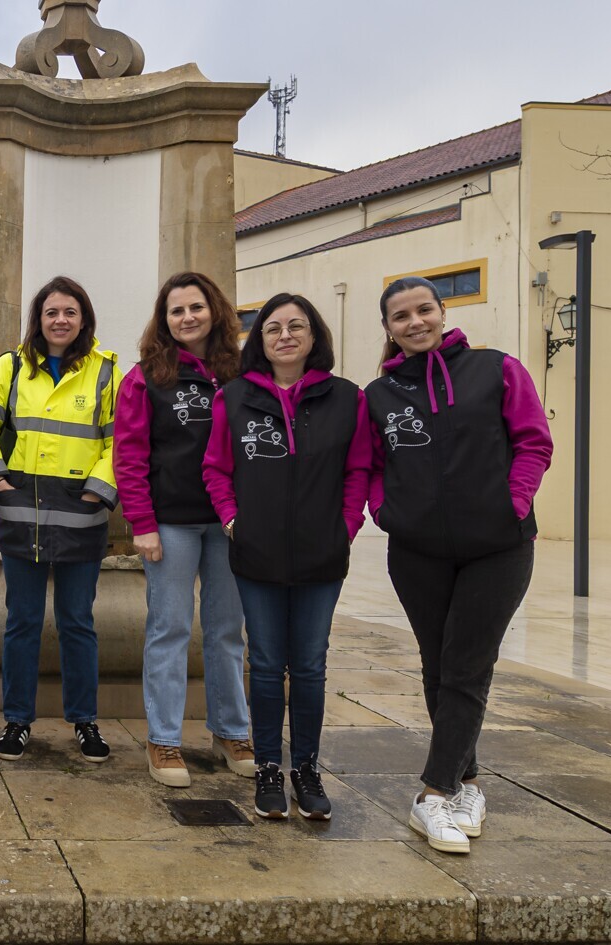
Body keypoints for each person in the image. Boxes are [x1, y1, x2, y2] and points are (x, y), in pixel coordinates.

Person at [366, 276, 553, 854]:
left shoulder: (497, 370)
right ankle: (468, 781)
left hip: (498, 547)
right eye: (401, 316)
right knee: (438, 665)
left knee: (467, 665)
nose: (415, 322)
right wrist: (386, 511)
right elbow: (372, 465)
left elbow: (534, 442)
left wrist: (512, 503)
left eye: (424, 310)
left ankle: (434, 793)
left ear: (442, 312)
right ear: (389, 328)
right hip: (417, 551)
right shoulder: (379, 395)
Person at [203, 292, 373, 822]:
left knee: (310, 665)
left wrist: (346, 527)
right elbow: (216, 469)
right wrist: (233, 522)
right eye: (273, 328)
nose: (285, 336)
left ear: (314, 335)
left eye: (296, 326)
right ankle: (268, 770)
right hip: (257, 554)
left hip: (323, 554)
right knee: (265, 664)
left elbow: (358, 470)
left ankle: (306, 769)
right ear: (260, 340)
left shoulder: (347, 398)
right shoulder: (234, 397)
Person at [113, 272, 255, 788]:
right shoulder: (146, 377)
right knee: (169, 630)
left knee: (226, 631)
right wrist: (142, 523)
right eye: (176, 311)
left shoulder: (242, 373)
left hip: (229, 522)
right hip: (171, 524)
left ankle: (230, 732)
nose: (187, 317)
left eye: (196, 307)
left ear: (214, 311)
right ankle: (164, 739)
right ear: (164, 319)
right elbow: (129, 455)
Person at [0, 275, 119, 765]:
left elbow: (119, 441)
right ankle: (17, 720)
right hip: (22, 511)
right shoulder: (9, 368)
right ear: (38, 319)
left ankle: (84, 721)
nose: (60, 320)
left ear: (84, 319)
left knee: (77, 622)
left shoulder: (107, 372)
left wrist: (98, 490)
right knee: (21, 621)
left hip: (82, 516)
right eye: (51, 312)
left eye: (70, 312)